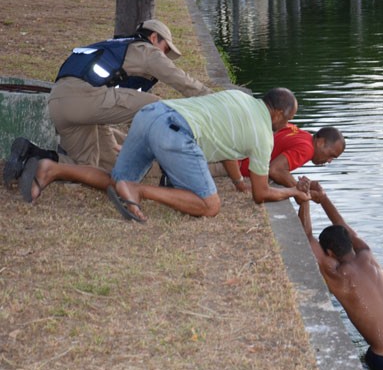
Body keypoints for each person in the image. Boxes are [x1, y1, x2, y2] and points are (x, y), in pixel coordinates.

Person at [19, 88, 310, 221]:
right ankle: (140, 190)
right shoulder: (263, 134)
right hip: (175, 131)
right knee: (210, 206)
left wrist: (236, 182)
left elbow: (228, 150)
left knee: (117, 181)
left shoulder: (239, 97)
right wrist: (292, 192)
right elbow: (260, 194)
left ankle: (51, 169)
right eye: (287, 119)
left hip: (152, 114)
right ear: (278, 113)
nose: (287, 125)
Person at [3, 19, 212, 187]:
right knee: (157, 107)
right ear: (154, 37)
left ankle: (34, 156)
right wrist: (215, 100)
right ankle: (167, 169)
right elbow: (181, 80)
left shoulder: (112, 46)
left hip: (59, 102)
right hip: (85, 99)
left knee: (86, 168)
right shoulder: (146, 50)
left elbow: (110, 96)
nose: (165, 56)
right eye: (165, 49)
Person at [297, 180, 383, 370]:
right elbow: (343, 226)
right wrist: (323, 198)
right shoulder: (367, 254)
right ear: (349, 242)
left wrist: (304, 199)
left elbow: (305, 236)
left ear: (329, 253)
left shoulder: (336, 273)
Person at [237, 123, 346, 187]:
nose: (329, 161)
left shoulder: (301, 133)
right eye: (331, 155)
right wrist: (298, 188)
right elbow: (274, 170)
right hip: (237, 164)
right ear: (320, 142)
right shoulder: (308, 149)